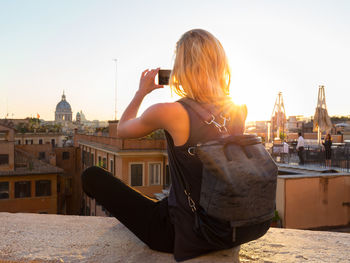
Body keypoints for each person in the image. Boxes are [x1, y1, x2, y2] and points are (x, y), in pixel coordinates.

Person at [81, 29, 270, 262]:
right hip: (231, 229)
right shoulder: (239, 110)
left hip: (182, 232)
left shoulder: (170, 112)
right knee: (164, 200)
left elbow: (123, 129)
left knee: (91, 176)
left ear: (181, 69)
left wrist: (141, 92)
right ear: (220, 65)